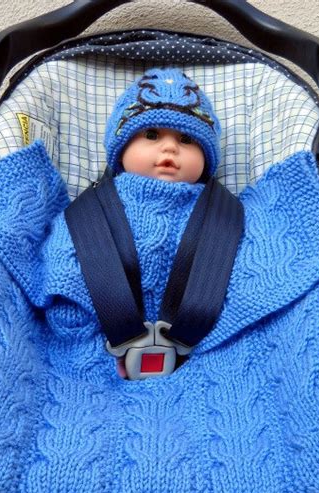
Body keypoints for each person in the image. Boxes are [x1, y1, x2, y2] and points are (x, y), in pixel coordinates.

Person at [101, 66, 223, 377]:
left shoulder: (220, 214)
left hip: (205, 344)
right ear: (121, 149)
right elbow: (66, 264)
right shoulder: (96, 210)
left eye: (186, 138)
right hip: (105, 340)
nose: (170, 147)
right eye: (152, 135)